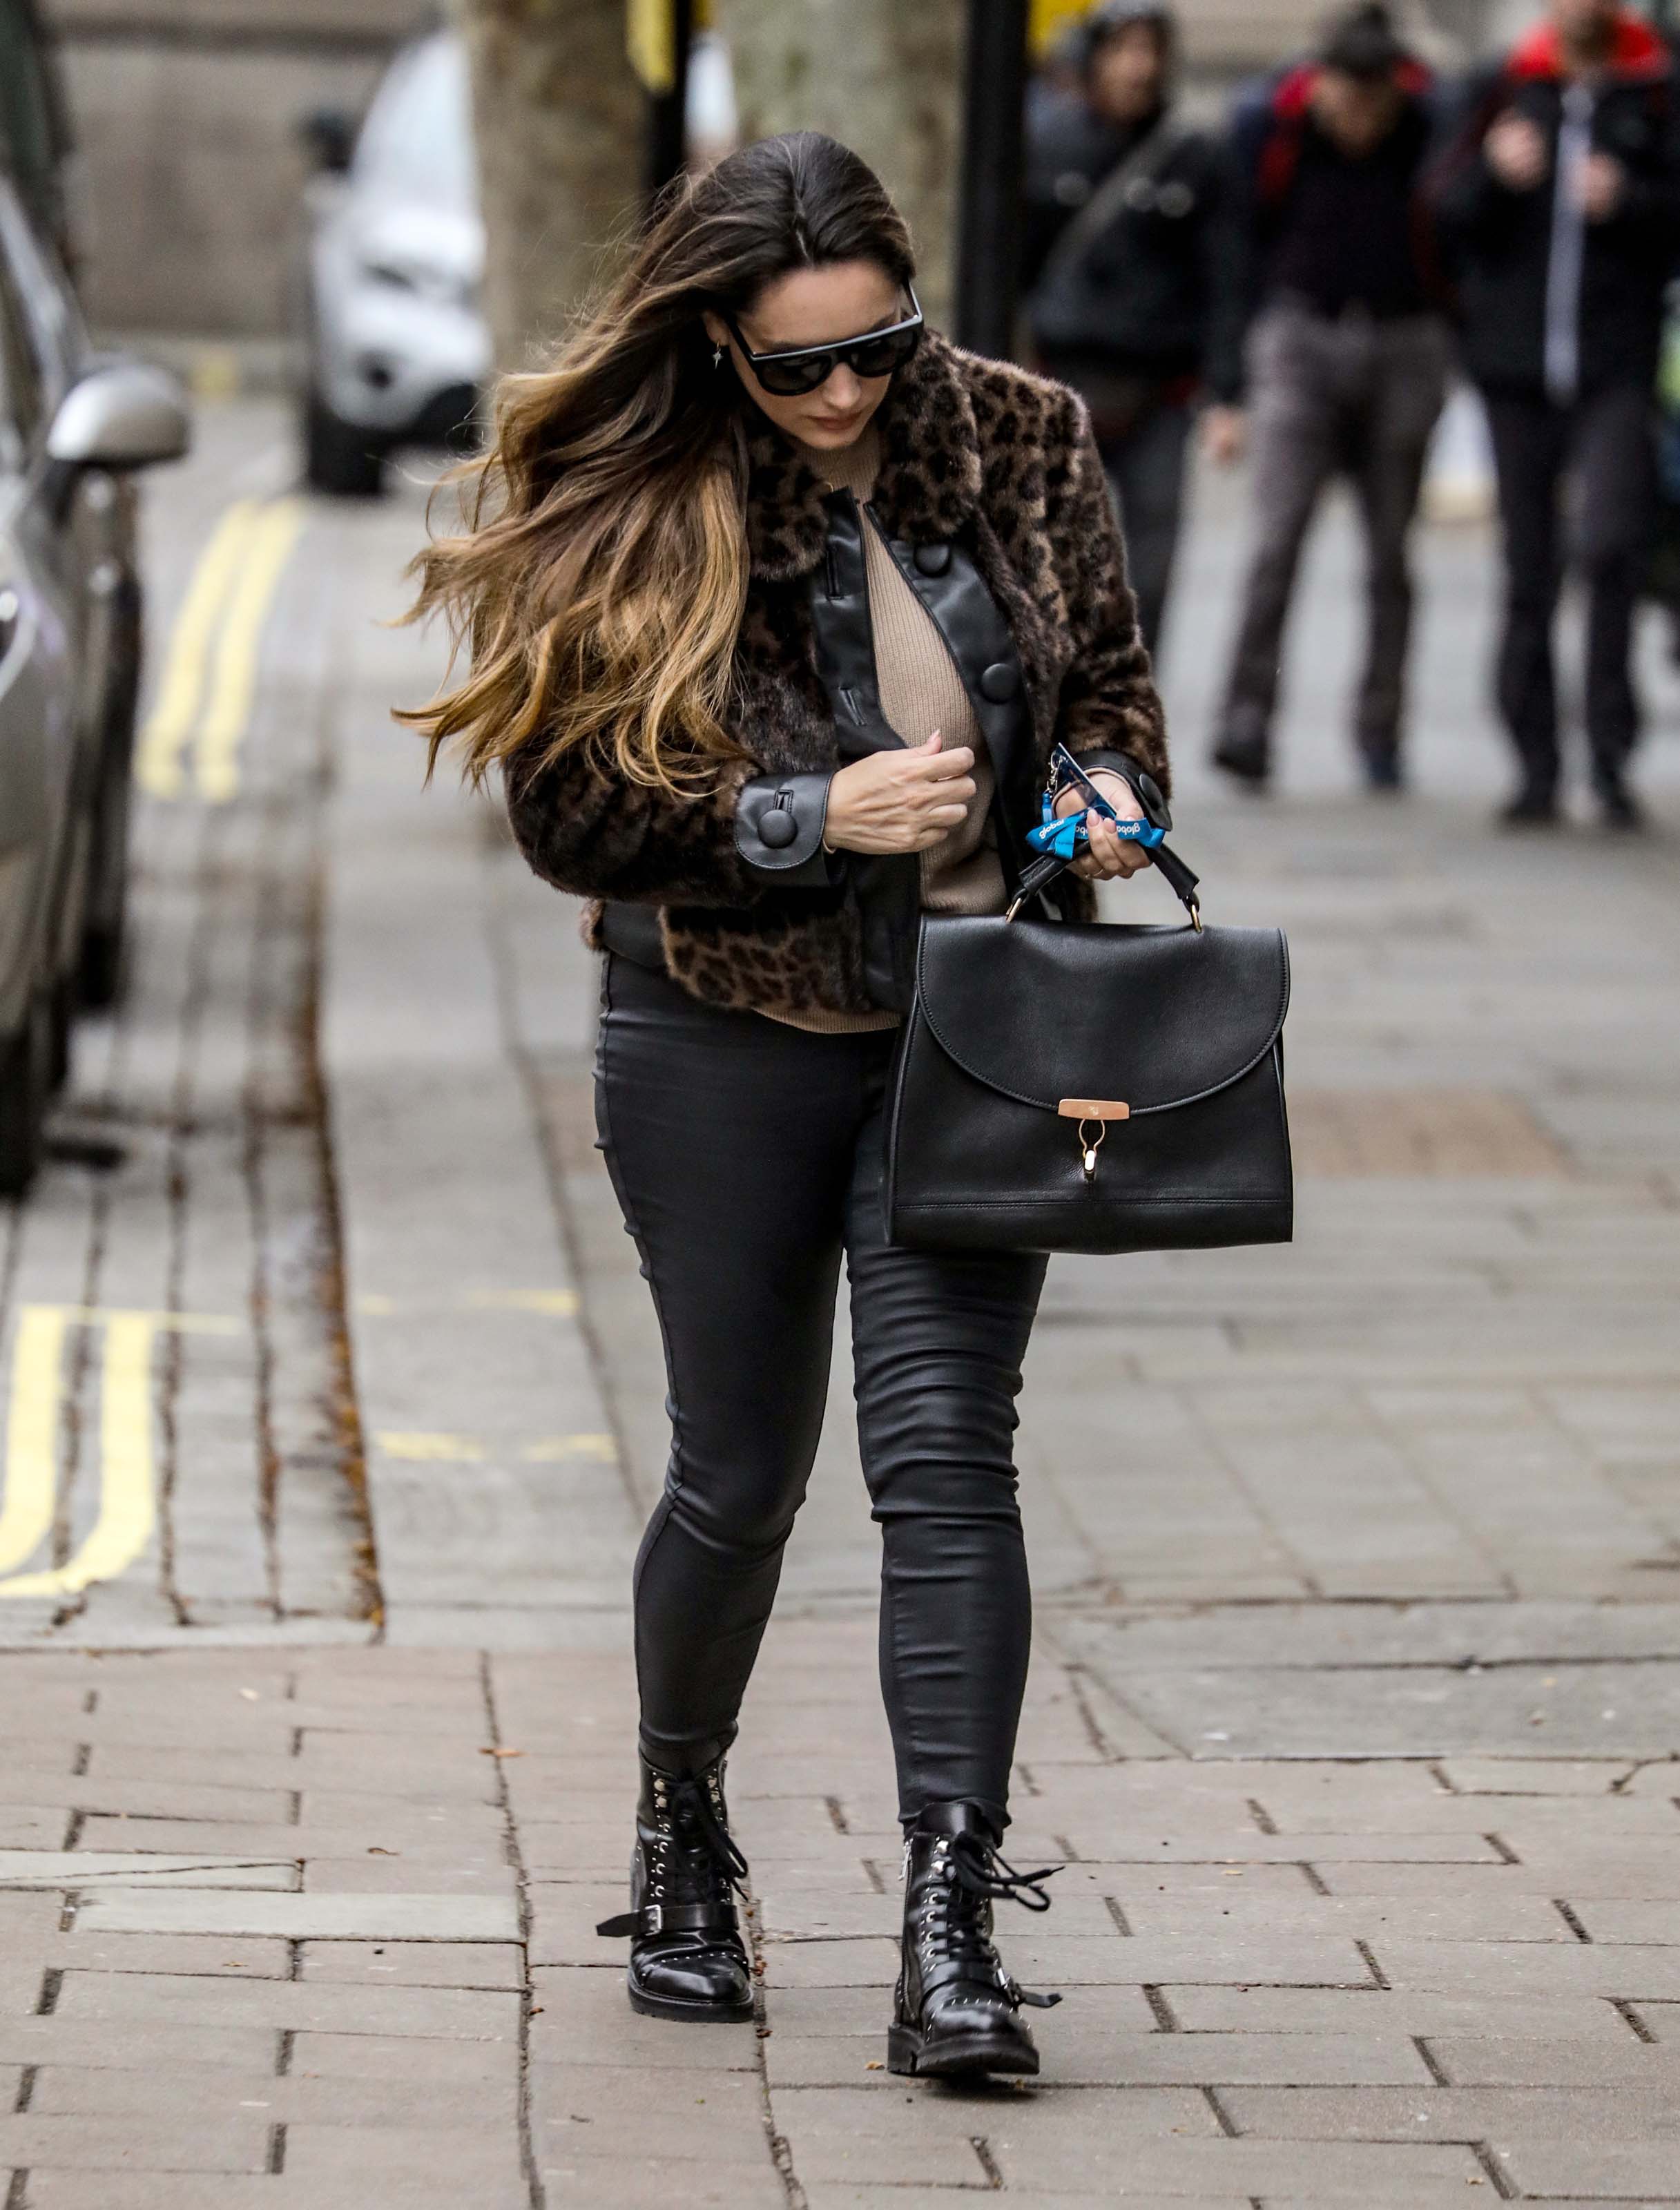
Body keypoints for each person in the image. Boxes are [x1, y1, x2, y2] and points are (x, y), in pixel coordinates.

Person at [400, 133, 1168, 2079]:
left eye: (876, 349)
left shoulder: (1018, 438)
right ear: (719, 345)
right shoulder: (640, 486)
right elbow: (564, 813)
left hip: (973, 1034)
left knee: (948, 1466)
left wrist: (1096, 790)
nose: (845, 395)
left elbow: (1111, 691)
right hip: (717, 1038)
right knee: (741, 1478)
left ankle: (950, 1921)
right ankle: (680, 1833)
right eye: (796, 364)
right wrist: (808, 816)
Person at [1430, 0, 1680, 828]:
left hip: (1615, 368)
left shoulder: (1655, 92)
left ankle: (1609, 753)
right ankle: (1536, 762)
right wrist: (1493, 178)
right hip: (1517, 371)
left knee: (1610, 548)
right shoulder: (1503, 88)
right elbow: (1440, 215)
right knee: (1528, 568)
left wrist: (1634, 199)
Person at [1206, 2, 1451, 793]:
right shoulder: (1270, 131)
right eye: (1345, 98)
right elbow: (1235, 252)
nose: (1357, 118)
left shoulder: (1431, 128)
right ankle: (1246, 719)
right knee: (1275, 542)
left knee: (1390, 554)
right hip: (1298, 337)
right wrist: (1228, 391)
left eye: (1372, 101)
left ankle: (1381, 729)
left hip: (1405, 338)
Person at [1023, 0, 1228, 655]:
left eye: (1151, 52)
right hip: (1065, 381)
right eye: (1124, 50)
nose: (1138, 68)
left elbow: (1226, 281)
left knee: (1154, 560)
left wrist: (1227, 393)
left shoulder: (1193, 155)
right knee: (1055, 554)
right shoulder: (1048, 145)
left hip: (1160, 391)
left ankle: (1133, 692)